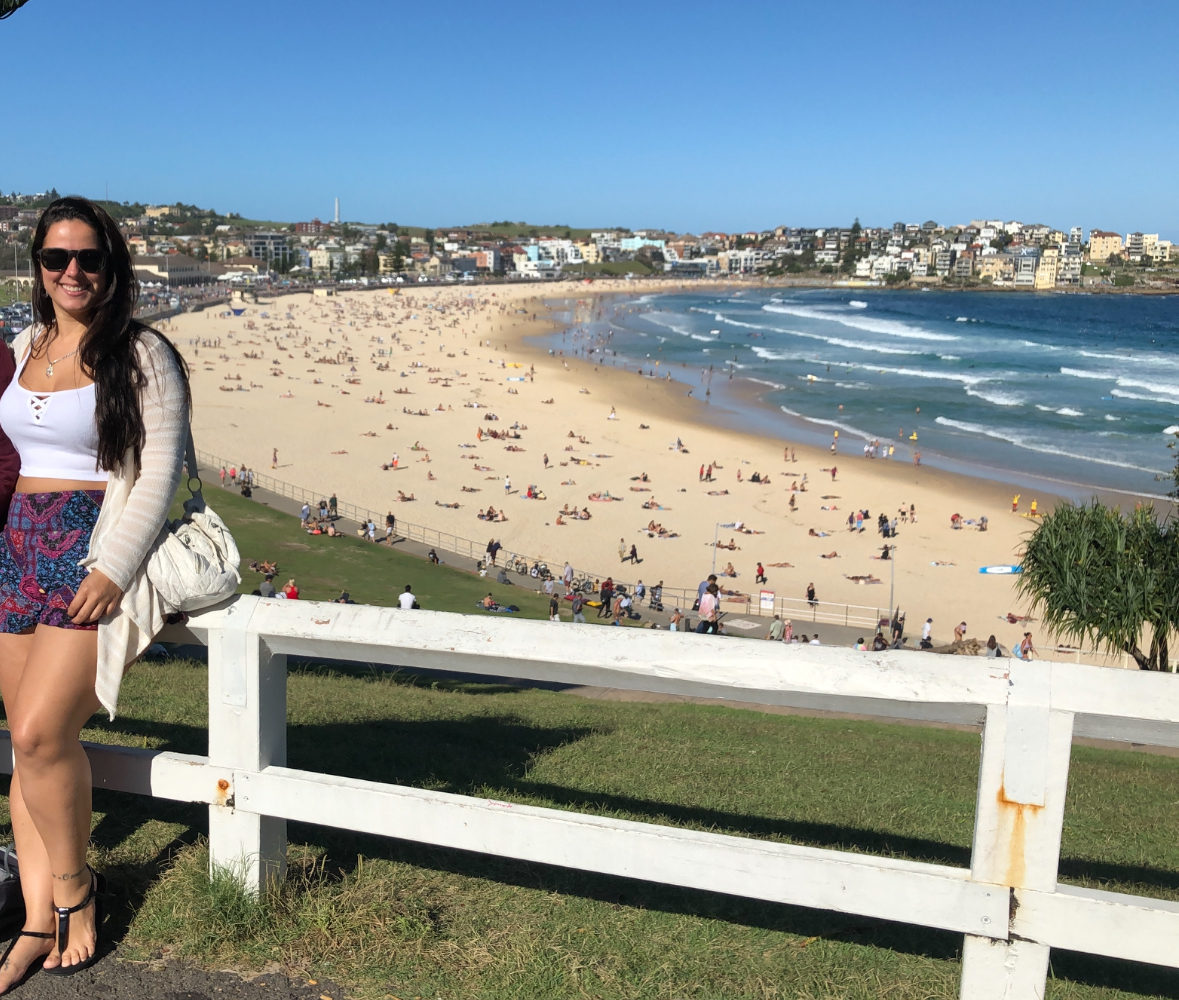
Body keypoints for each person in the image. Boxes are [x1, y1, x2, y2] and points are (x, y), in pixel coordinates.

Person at [0, 196, 193, 983]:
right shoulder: (23, 345)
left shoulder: (143, 352)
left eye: (89, 258)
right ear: (38, 267)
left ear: (112, 266)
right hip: (18, 546)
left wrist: (113, 566)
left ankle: (77, 892)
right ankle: (34, 921)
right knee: (23, 745)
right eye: (57, 258)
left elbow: (158, 471)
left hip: (89, 548)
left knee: (42, 733)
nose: (72, 271)